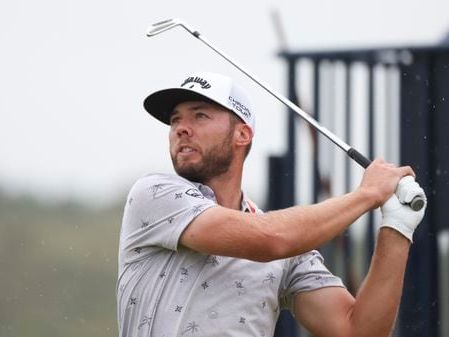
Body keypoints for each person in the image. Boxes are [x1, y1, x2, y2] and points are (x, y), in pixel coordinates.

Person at [117, 72, 426, 337]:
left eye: (199, 115)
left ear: (242, 134)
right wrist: (366, 195)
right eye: (175, 120)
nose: (181, 128)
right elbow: (271, 239)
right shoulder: (155, 195)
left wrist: (397, 226)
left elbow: (357, 331)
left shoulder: (288, 250)